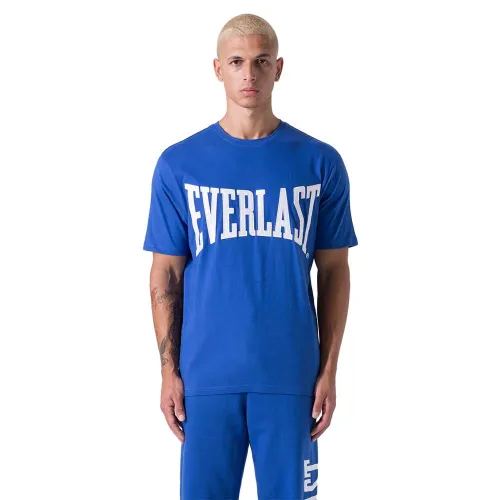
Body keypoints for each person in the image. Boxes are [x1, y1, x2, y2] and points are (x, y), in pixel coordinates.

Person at [143, 12, 358, 500]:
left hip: (291, 376)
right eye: (237, 61)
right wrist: (168, 371)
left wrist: (329, 369)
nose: (249, 73)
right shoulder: (178, 164)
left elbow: (335, 270)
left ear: (278, 68)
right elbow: (165, 272)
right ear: (217, 69)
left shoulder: (320, 162)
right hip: (205, 377)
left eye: (261, 61)